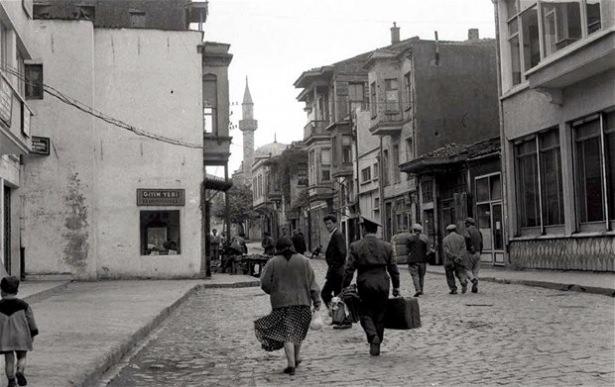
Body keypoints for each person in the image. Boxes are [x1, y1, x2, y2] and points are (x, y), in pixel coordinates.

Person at [255, 238, 321, 376]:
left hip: (281, 303)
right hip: (302, 301)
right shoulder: (304, 261)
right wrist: (317, 301)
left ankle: (291, 364)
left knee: (287, 333)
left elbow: (265, 283)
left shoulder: (273, 262)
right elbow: (312, 283)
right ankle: (295, 359)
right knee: (298, 330)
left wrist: (274, 292)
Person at [342, 216, 400, 356]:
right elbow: (393, 268)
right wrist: (396, 286)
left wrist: (344, 286)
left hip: (365, 282)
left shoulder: (356, 246)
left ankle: (372, 335)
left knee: (365, 312)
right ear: (376, 231)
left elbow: (349, 269)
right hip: (383, 282)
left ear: (363, 229)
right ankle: (377, 341)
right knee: (380, 313)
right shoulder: (387, 246)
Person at [0, 276, 38, 387]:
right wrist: (33, 333)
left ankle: (11, 380)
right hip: (22, 336)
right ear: (16, 291)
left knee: (9, 360)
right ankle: (20, 371)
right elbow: (31, 321)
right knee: (22, 357)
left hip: (5, 337)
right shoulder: (24, 306)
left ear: (2, 291)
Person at [321, 214, 349, 329]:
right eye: (326, 224)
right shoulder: (334, 235)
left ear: (335, 223)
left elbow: (342, 253)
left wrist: (334, 265)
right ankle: (338, 318)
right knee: (336, 296)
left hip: (336, 272)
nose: (328, 226)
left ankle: (341, 318)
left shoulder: (338, 235)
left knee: (326, 293)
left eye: (329, 223)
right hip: (335, 271)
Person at [442, 224, 468, 295]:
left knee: (449, 275)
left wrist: (453, 257)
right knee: (460, 272)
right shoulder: (461, 238)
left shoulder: (445, 239)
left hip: (449, 261)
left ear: (448, 231)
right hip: (459, 260)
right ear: (456, 230)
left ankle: (453, 289)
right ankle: (463, 281)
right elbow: (463, 249)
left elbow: (446, 251)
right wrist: (459, 257)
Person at [407, 223, 431, 297]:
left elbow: (407, 249)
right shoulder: (425, 238)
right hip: (422, 260)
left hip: (413, 260)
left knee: (415, 276)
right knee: (421, 276)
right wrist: (424, 255)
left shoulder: (410, 238)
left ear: (413, 230)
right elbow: (429, 250)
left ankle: (418, 290)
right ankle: (421, 290)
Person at [463, 218, 483, 293]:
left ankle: (473, 280)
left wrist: (470, 248)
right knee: (476, 271)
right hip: (478, 252)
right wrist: (480, 251)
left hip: (470, 253)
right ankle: (475, 287)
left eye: (466, 223)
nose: (465, 225)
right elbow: (481, 243)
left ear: (468, 223)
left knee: (466, 269)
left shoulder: (468, 231)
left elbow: (467, 239)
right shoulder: (478, 231)